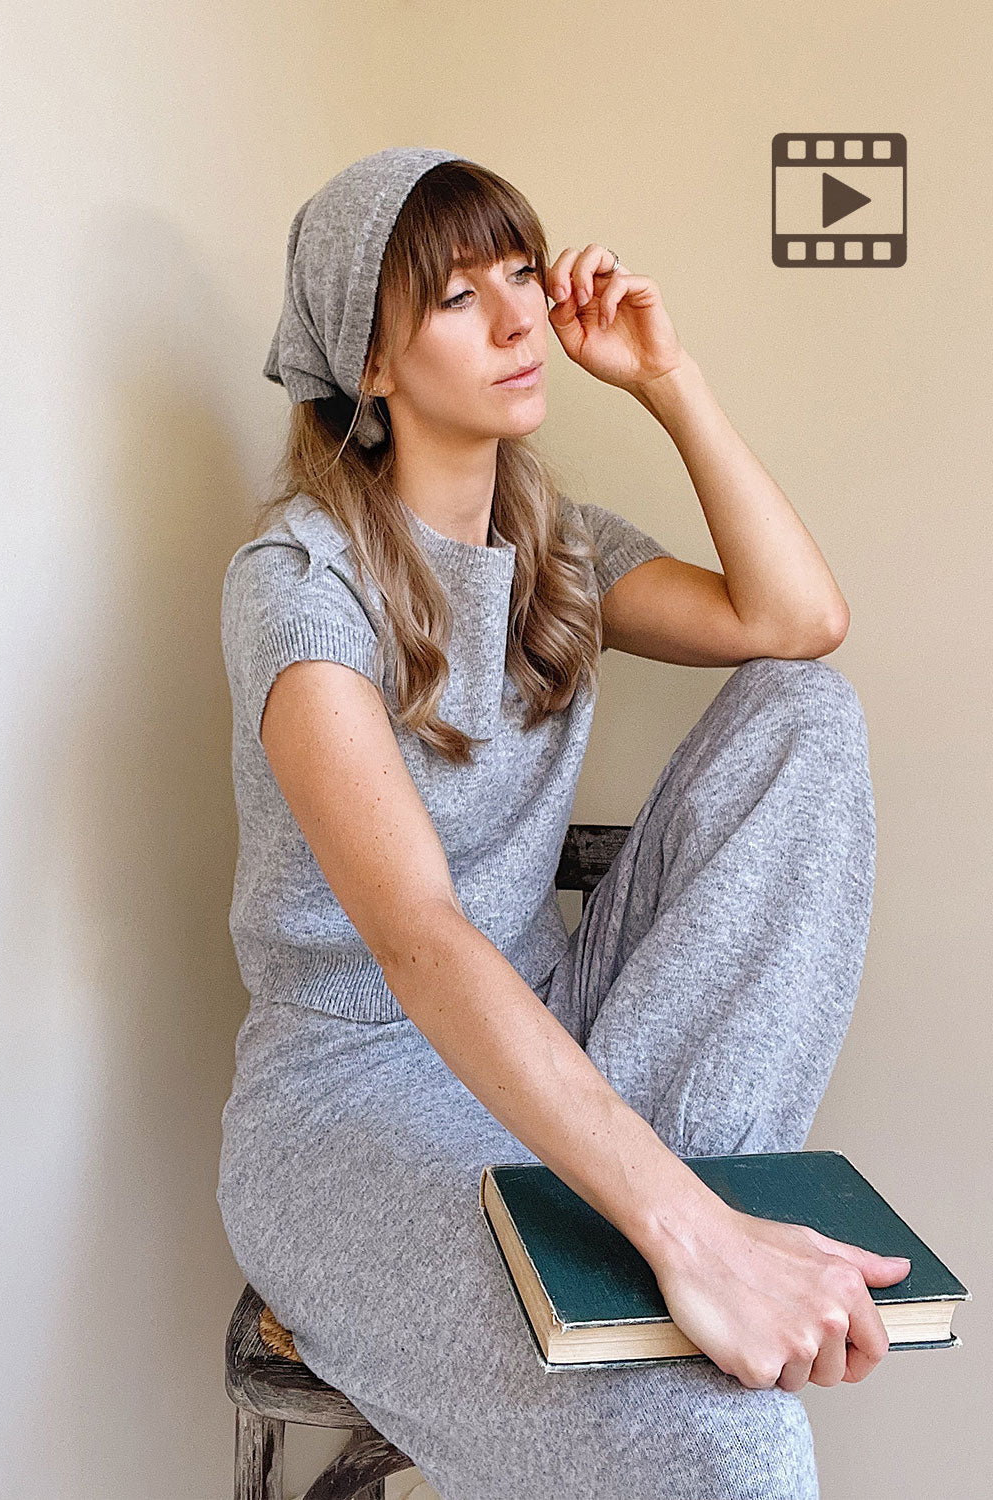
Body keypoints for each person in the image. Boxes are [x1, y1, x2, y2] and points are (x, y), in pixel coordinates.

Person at [216, 146, 909, 1500]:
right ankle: (675, 1233)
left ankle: (667, 1212)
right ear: (367, 364)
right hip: (350, 1099)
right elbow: (415, 937)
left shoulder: (560, 550)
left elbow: (794, 621)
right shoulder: (297, 587)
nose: (522, 315)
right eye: (458, 296)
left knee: (803, 712)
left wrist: (667, 381)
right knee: (733, 1446)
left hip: (556, 1021)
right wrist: (692, 1239)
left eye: (522, 272)